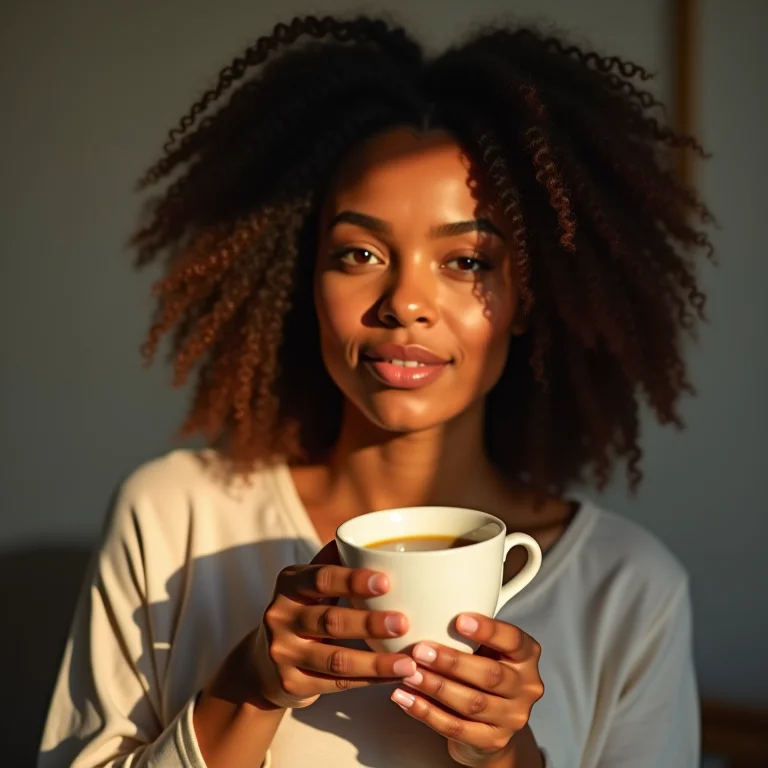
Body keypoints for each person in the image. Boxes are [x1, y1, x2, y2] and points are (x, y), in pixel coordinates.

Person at [38, 14, 713, 768]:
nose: (404, 303)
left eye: (465, 262)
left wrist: (506, 756)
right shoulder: (173, 518)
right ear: (302, 280)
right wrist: (251, 684)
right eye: (359, 252)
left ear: (528, 298)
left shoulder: (628, 590)